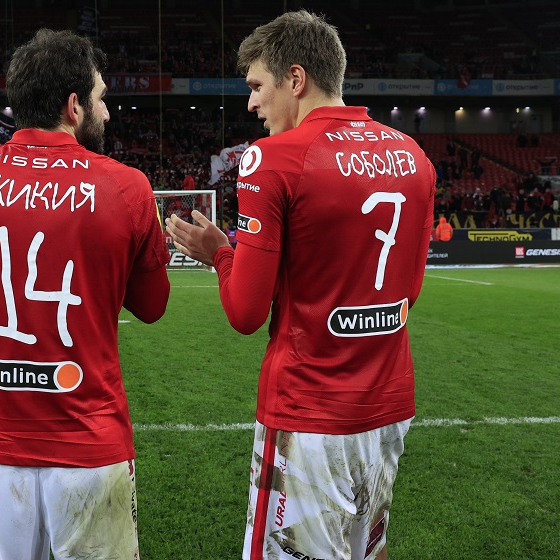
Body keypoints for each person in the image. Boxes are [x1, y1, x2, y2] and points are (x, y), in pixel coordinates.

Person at [165, 11, 435, 560]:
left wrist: (220, 254)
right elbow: (409, 292)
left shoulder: (272, 158)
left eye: (256, 86)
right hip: (389, 404)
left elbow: (245, 313)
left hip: (309, 411)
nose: (251, 103)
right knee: (367, 550)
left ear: (295, 79)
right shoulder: (413, 155)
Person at [0, 28, 170, 560]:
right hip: (89, 443)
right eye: (102, 98)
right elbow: (152, 307)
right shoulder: (127, 186)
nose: (108, 112)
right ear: (74, 106)